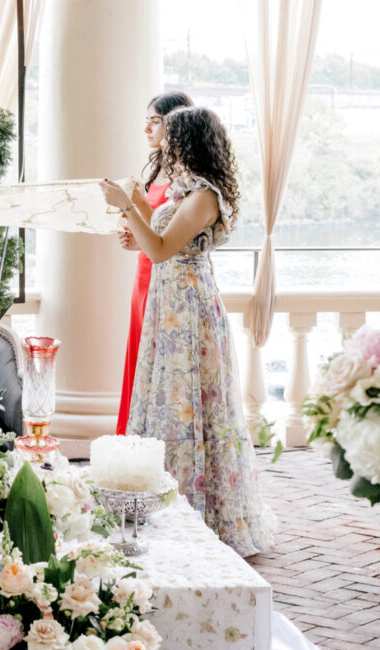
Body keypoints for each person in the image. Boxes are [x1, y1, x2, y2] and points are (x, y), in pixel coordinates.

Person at [100, 106, 275, 557]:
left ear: (191, 141)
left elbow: (160, 250)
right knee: (164, 399)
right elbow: (155, 237)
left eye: (174, 136)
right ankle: (156, 499)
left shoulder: (204, 196)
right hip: (168, 303)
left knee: (187, 401)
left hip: (188, 309)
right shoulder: (182, 192)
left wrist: (127, 208)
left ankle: (198, 510)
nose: (167, 143)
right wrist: (136, 204)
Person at [115, 91, 193, 435]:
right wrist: (135, 240)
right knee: (139, 357)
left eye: (156, 120)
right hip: (144, 273)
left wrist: (133, 210)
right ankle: (132, 436)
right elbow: (154, 226)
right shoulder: (158, 166)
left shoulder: (188, 174)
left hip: (170, 277)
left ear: (175, 124)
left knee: (162, 362)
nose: (147, 127)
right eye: (146, 119)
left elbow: (178, 236)